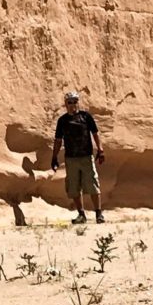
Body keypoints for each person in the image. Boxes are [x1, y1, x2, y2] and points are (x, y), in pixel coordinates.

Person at [49, 89, 103, 226]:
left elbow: (95, 134)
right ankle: (81, 214)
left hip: (86, 156)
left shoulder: (86, 117)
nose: (72, 104)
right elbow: (58, 140)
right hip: (71, 158)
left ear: (78, 102)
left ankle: (99, 214)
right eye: (69, 102)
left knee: (93, 184)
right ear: (65, 104)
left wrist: (100, 150)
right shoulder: (62, 121)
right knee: (74, 187)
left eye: (74, 101)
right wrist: (54, 157)